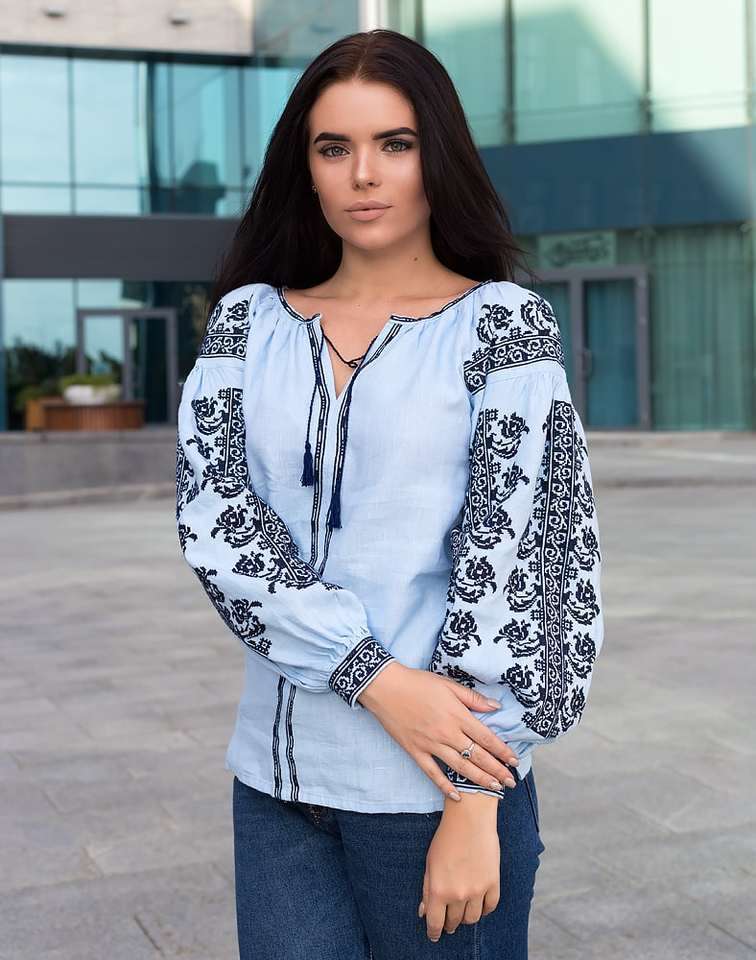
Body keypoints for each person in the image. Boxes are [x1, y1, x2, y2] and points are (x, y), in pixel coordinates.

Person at [175, 28, 604, 960]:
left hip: (436, 789)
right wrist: (371, 674)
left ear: (435, 155)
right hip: (277, 791)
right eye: (334, 148)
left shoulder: (501, 327)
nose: (363, 175)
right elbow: (217, 524)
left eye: (395, 144)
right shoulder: (246, 325)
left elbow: (530, 563)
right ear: (306, 169)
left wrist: (477, 804)